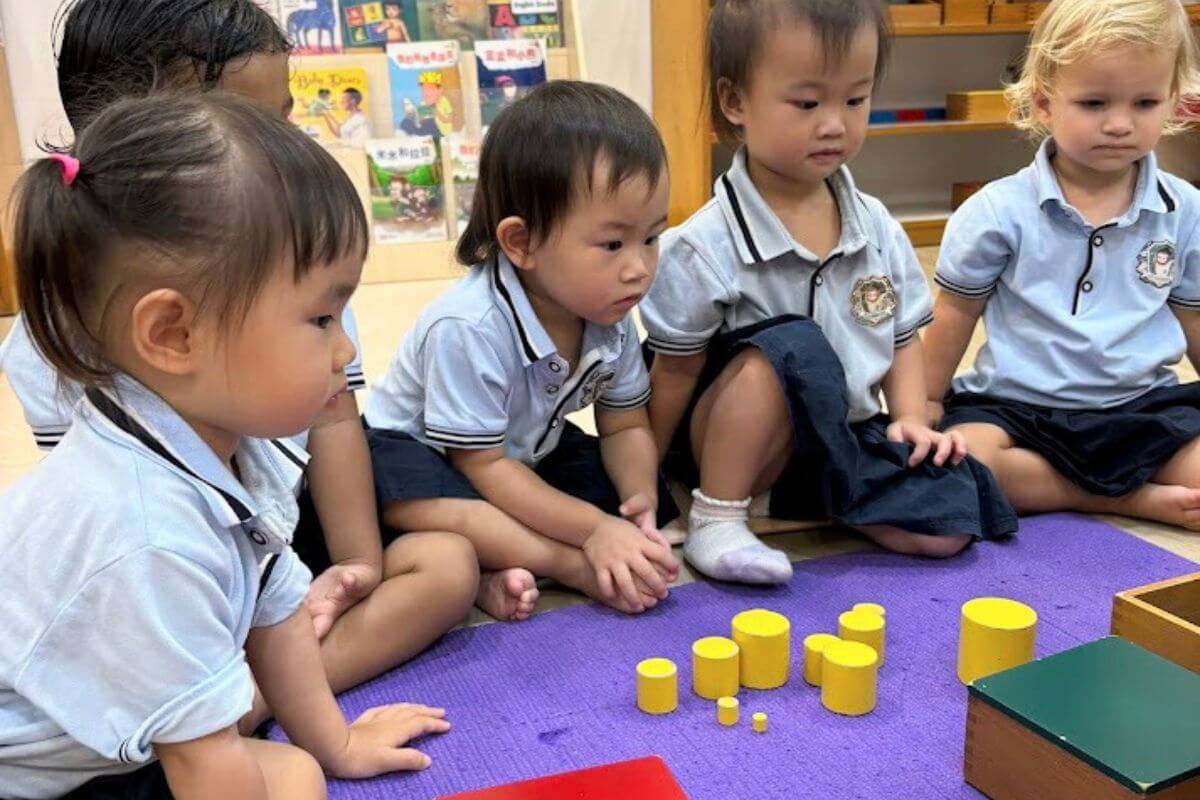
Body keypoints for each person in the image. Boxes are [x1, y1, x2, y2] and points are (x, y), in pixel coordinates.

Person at [0, 0, 484, 738]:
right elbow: (123, 575)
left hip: (266, 502)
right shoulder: (74, 395)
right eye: (238, 125)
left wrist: (358, 570)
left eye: (281, 122)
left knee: (444, 562)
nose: (277, 154)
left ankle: (240, 697)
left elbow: (335, 421)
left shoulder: (291, 279)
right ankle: (220, 706)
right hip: (158, 585)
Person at [642, 0, 1017, 586]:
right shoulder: (702, 245)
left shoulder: (875, 226)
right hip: (733, 443)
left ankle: (806, 503)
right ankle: (718, 513)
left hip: (841, 435)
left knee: (949, 522)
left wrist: (912, 418)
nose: (835, 124)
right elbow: (673, 374)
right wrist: (645, 482)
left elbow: (900, 338)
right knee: (792, 348)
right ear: (735, 101)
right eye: (808, 103)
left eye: (855, 99)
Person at [364, 81, 681, 615]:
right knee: (437, 507)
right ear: (521, 242)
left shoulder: (611, 314)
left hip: (520, 454)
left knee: (608, 490)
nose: (639, 268)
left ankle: (497, 572)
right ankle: (562, 565)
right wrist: (592, 533)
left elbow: (625, 424)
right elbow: (482, 468)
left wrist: (637, 501)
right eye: (612, 244)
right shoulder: (469, 326)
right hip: (428, 457)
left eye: (651, 238)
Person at [925, 0, 1200, 530]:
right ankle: (1120, 499)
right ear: (1045, 103)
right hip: (1017, 409)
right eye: (1095, 102)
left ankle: (1089, 485)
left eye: (1145, 102)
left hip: (1140, 407)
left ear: (1173, 101)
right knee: (961, 462)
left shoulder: (1184, 210)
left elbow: (1193, 319)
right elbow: (954, 315)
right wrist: (926, 403)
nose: (1120, 124)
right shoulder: (996, 211)